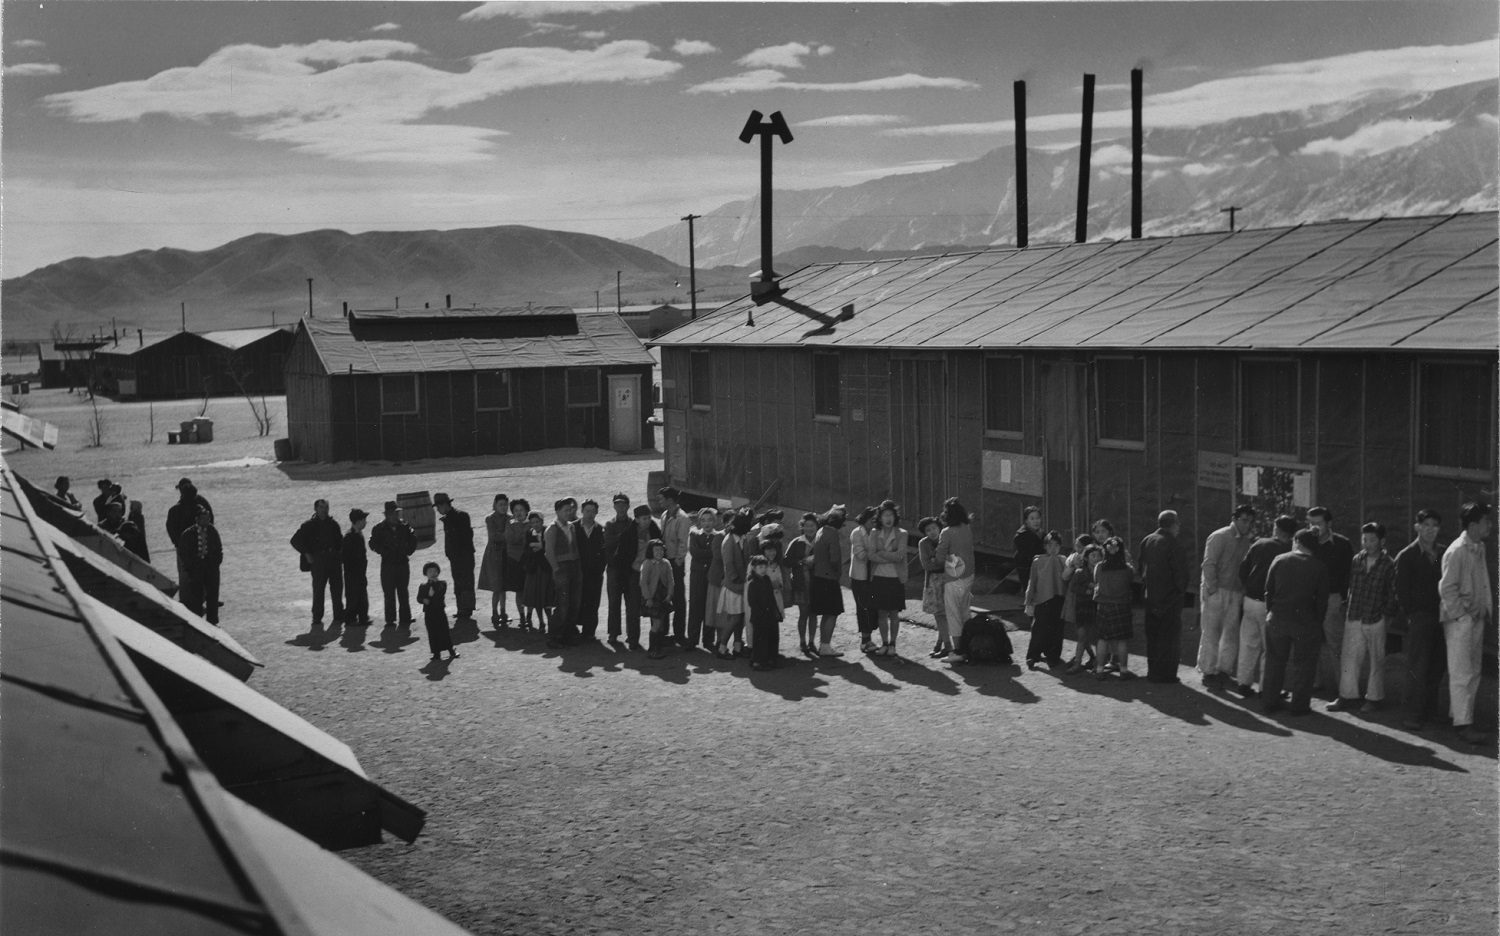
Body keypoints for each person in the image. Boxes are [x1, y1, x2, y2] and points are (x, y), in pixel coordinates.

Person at [1328, 522, 1397, 714]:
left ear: (1382, 541)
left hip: (1376, 616)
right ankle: (1346, 696)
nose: (1367, 543)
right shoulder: (1357, 559)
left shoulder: (1389, 564)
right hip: (1355, 613)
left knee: (1377, 659)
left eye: (1372, 540)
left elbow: (1392, 592)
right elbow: (1350, 584)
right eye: (1364, 539)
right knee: (1349, 657)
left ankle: (1374, 698)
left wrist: (1387, 614)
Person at [1439, 502, 1493, 745]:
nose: (1490, 525)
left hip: (1475, 618)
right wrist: (1461, 616)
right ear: (1472, 525)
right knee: (1461, 672)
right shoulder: (1458, 550)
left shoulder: (1479, 546)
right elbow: (1447, 587)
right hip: (1461, 620)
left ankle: (1461, 717)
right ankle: (1463, 725)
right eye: (1486, 522)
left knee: (1473, 671)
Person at [1262, 529, 1330, 715]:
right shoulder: (1319, 567)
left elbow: (1268, 591)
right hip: (1306, 622)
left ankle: (1270, 701)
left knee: (1274, 662)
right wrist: (1317, 621)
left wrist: (1272, 612)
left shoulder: (1280, 560)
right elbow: (1322, 601)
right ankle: (1299, 706)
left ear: (1297, 542)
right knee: (1304, 665)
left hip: (1277, 618)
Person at [1234, 515, 1298, 697]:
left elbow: (1243, 570)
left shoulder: (1260, 543)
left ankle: (1243, 683)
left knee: (1248, 644)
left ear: (1277, 529)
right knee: (1269, 649)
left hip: (1250, 600)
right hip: (1271, 604)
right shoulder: (1289, 551)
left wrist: (1249, 586)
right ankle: (1266, 688)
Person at [1396, 509, 1446, 732]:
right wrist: (1413, 615)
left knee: (1436, 666)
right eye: (1426, 525)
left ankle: (1430, 711)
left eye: (1435, 525)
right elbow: (1401, 592)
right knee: (1418, 666)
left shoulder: (1445, 553)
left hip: (1443, 618)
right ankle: (1412, 714)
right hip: (1420, 618)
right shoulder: (1407, 556)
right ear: (1417, 527)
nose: (1430, 529)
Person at [1198, 504, 1256, 687]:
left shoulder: (1247, 540)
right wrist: (1212, 588)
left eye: (1250, 521)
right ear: (1235, 519)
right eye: (1244, 520)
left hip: (1235, 592)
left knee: (1230, 633)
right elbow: (1208, 564)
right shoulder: (1220, 536)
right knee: (1211, 632)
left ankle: (1224, 669)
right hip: (1217, 590)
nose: (1247, 525)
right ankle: (1208, 670)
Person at [1306, 506, 1355, 696]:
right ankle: (1315, 681)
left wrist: (1344, 598)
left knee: (1336, 643)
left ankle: (1343, 686)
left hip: (1333, 598)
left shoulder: (1342, 544)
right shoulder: (1306, 542)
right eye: (1311, 523)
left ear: (1329, 524)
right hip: (1310, 597)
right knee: (1311, 641)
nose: (1314, 528)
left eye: (1318, 523)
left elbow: (1349, 573)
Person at [1138, 510, 1188, 684]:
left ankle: (1153, 672)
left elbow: (1141, 569)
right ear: (1173, 524)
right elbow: (1180, 574)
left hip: (1150, 597)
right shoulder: (1173, 543)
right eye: (1178, 524)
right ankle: (1167, 675)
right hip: (1169, 599)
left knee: (1153, 637)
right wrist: (1180, 593)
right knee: (1169, 639)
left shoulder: (1147, 540)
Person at [291, 499, 344, 626]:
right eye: (321, 507)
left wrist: (340, 557)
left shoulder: (333, 524)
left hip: (333, 561)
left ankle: (338, 615)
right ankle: (317, 617)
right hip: (319, 561)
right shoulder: (309, 525)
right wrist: (307, 553)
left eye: (326, 507)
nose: (324, 510)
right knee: (319, 590)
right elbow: (295, 540)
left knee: (337, 589)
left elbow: (340, 543)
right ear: (315, 509)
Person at [936, 498, 977, 660]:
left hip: (953, 577)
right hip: (969, 575)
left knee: (953, 614)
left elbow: (940, 557)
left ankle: (958, 651)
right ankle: (968, 646)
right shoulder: (967, 528)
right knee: (965, 612)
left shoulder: (946, 532)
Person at [368, 501, 418, 628]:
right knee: (389, 592)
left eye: (396, 513)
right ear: (387, 515)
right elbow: (372, 543)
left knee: (403, 591)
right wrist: (383, 551)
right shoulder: (379, 528)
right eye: (392, 514)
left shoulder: (405, 526)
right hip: (388, 564)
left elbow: (413, 540)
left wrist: (408, 551)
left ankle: (405, 617)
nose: (394, 516)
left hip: (402, 563)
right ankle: (390, 619)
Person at [868, 501, 908, 658]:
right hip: (878, 577)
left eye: (891, 515)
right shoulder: (874, 533)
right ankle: (884, 643)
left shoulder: (902, 533)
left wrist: (882, 553)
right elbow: (871, 555)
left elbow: (900, 556)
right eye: (885, 515)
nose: (888, 518)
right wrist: (889, 556)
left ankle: (893, 644)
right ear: (880, 517)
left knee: (894, 613)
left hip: (895, 578)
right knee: (881, 613)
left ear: (895, 516)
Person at [1092, 537, 1135, 679]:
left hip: (1104, 605)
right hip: (1122, 605)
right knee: (1122, 639)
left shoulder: (1099, 567)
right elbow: (1131, 581)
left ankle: (1099, 670)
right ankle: (1123, 670)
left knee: (1102, 639)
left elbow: (1096, 580)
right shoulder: (1127, 569)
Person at [1024, 531, 1068, 670]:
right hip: (1042, 599)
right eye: (1050, 545)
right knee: (1039, 629)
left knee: (1057, 629)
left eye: (1056, 545)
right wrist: (1029, 599)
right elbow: (1033, 581)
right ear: (1045, 546)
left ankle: (1053, 656)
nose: (1053, 548)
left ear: (1060, 546)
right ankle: (1033, 655)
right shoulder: (1038, 561)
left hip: (1059, 598)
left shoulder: (1064, 560)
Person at [716, 507, 754, 658]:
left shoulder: (742, 539)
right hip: (733, 586)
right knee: (735, 618)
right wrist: (737, 580)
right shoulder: (729, 541)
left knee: (741, 616)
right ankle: (722, 647)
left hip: (741, 584)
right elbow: (729, 564)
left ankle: (737, 646)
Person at [810, 507, 847, 658]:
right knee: (832, 613)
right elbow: (834, 558)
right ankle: (825, 645)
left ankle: (823, 644)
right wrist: (838, 572)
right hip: (829, 578)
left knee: (826, 612)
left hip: (818, 576)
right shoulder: (832, 534)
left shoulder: (820, 531)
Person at [434, 493, 476, 623]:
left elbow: (464, 537)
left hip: (464, 556)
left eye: (438, 507)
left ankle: (466, 609)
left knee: (466, 582)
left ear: (444, 505)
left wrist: (456, 553)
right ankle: (461, 608)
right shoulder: (450, 518)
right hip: (456, 557)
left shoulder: (460, 516)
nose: (437, 510)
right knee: (459, 582)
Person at [545, 497, 581, 646]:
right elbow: (549, 552)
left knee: (574, 601)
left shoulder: (571, 526)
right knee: (562, 603)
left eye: (570, 510)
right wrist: (556, 570)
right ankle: (555, 636)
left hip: (574, 566)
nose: (569, 513)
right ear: (557, 511)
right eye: (565, 510)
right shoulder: (552, 529)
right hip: (561, 568)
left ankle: (568, 634)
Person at [178, 505, 223, 624]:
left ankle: (212, 620)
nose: (206, 521)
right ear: (197, 519)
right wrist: (190, 567)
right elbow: (183, 552)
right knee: (196, 595)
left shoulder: (212, 531)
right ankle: (197, 621)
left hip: (211, 568)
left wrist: (216, 562)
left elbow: (218, 548)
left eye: (207, 518)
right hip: (196, 568)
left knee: (212, 595)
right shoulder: (188, 534)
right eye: (203, 518)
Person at [659, 487, 692, 645]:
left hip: (675, 562)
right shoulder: (665, 515)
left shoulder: (682, 518)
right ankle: (664, 631)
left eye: (662, 498)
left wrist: (678, 562)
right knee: (665, 595)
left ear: (670, 500)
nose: (659, 501)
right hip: (665, 560)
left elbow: (683, 543)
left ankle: (679, 633)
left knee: (678, 597)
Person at [1063, 536, 1099, 674]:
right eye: (1092, 556)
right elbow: (1073, 587)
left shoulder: (1100, 572)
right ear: (1086, 558)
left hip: (1095, 608)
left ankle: (1093, 662)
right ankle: (1081, 661)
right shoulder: (1080, 572)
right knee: (1082, 636)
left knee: (1093, 636)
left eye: (1098, 556)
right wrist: (1088, 589)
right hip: (1082, 607)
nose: (1095, 559)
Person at [603, 494, 636, 644]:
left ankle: (632, 634)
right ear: (614, 506)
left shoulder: (633, 523)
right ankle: (613, 633)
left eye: (623, 505)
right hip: (614, 568)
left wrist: (620, 539)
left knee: (631, 602)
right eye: (617, 505)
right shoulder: (609, 524)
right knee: (614, 602)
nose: (620, 508)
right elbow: (608, 544)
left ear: (628, 506)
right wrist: (623, 538)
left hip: (630, 568)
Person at [687, 508, 720, 650]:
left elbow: (717, 554)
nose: (707, 523)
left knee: (710, 606)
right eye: (703, 520)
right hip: (697, 576)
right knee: (695, 606)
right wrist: (710, 553)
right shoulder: (694, 534)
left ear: (714, 521)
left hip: (711, 576)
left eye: (710, 519)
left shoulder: (718, 536)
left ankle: (708, 640)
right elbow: (695, 552)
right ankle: (692, 639)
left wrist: (706, 554)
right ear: (699, 521)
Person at [848, 507, 879, 653]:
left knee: (872, 607)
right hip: (859, 577)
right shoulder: (857, 532)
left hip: (872, 576)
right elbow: (861, 554)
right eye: (871, 520)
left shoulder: (875, 533)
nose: (873, 522)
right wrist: (878, 554)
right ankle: (865, 641)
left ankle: (869, 638)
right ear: (865, 519)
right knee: (863, 608)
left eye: (875, 520)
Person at [917, 517, 949, 658]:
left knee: (945, 614)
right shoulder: (923, 544)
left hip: (948, 580)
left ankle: (945, 644)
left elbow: (953, 562)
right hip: (933, 581)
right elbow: (926, 565)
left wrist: (936, 560)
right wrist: (939, 561)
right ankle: (941, 643)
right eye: (928, 530)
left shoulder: (946, 540)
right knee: (938, 614)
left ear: (939, 528)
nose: (932, 532)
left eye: (934, 528)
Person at [576, 499, 607, 640]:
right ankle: (574, 629)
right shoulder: (573, 528)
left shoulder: (601, 530)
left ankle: (589, 632)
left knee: (593, 602)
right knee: (576, 600)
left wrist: (599, 569)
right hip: (577, 572)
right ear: (581, 511)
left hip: (594, 574)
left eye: (592, 511)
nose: (589, 514)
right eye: (587, 511)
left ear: (596, 512)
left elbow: (604, 552)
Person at [639, 539, 675, 659]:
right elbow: (643, 582)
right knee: (657, 623)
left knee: (661, 623)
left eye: (661, 550)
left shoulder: (666, 563)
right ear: (651, 551)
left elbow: (671, 581)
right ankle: (653, 649)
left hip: (663, 596)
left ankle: (658, 646)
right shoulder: (648, 563)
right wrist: (648, 598)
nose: (659, 552)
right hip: (653, 597)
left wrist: (670, 595)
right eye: (656, 550)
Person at [478, 494, 511, 626]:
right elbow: (494, 536)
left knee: (504, 586)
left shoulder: (510, 518)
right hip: (494, 555)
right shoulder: (490, 518)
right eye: (500, 505)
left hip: (506, 554)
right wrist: (508, 535)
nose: (503, 507)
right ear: (495, 505)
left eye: (505, 504)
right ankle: (494, 612)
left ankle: (503, 612)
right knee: (496, 586)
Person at [747, 555, 783, 671]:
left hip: (770, 615)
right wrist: (762, 613)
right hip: (759, 616)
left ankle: (769, 659)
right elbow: (752, 602)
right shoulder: (752, 583)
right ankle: (757, 661)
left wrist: (775, 611)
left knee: (771, 637)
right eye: (760, 567)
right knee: (760, 639)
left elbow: (771, 597)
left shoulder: (767, 579)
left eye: (764, 567)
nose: (763, 569)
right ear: (754, 568)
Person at [416, 561, 457, 662]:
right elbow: (419, 598)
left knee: (444, 631)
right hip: (429, 613)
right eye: (430, 571)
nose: (432, 573)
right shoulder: (423, 586)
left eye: (434, 571)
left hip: (439, 611)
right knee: (432, 632)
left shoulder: (442, 584)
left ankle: (451, 650)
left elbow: (440, 594)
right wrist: (424, 599)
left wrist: (432, 592)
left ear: (438, 572)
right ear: (426, 573)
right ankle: (436, 653)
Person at [522, 511, 552, 635]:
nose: (535, 524)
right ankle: (541, 622)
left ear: (542, 521)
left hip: (546, 569)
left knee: (547, 598)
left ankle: (550, 622)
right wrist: (539, 547)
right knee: (537, 598)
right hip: (534, 570)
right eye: (533, 522)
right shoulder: (529, 533)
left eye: (537, 521)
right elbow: (527, 550)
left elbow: (550, 548)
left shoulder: (548, 531)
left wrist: (539, 546)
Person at [342, 508, 372, 627]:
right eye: (363, 519)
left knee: (362, 595)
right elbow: (346, 557)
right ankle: (350, 619)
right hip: (352, 573)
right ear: (358, 521)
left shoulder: (357, 534)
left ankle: (363, 618)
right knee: (353, 596)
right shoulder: (349, 537)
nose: (365, 522)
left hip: (359, 572)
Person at [505, 498, 532, 627]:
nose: (519, 513)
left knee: (531, 589)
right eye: (516, 510)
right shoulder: (510, 523)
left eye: (521, 510)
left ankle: (529, 617)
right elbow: (511, 540)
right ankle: (522, 617)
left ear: (527, 511)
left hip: (529, 561)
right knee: (519, 591)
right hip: (515, 561)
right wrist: (522, 532)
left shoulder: (532, 522)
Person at [1013, 506, 1044, 591]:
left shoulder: (1042, 533)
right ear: (1026, 521)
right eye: (1032, 519)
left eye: (1038, 518)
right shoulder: (1021, 535)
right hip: (1026, 567)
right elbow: (1028, 553)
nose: (1036, 521)